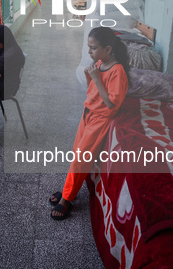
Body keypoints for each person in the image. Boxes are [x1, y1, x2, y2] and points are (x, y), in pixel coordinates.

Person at [49, 27, 130, 220]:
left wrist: (96, 78)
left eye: (93, 48)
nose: (89, 52)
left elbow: (111, 104)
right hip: (88, 115)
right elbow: (92, 93)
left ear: (108, 49)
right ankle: (69, 191)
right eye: (89, 47)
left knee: (80, 160)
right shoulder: (100, 63)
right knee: (77, 155)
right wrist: (92, 76)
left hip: (100, 120)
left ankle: (66, 200)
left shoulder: (117, 71)